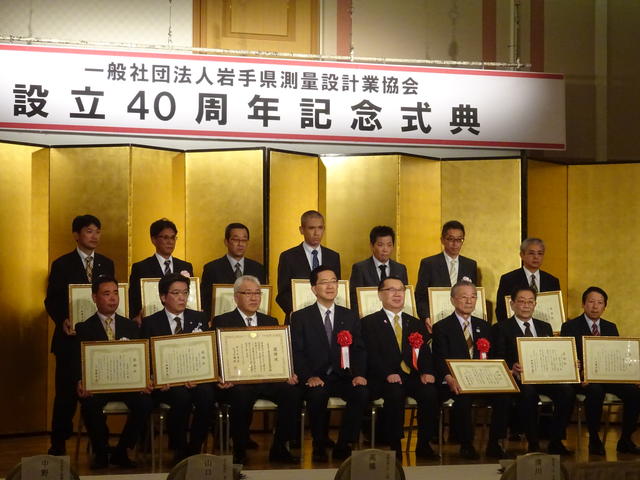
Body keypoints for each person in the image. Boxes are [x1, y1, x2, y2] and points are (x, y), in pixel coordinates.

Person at [45, 214, 115, 455]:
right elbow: (51, 300)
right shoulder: (62, 264)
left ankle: (100, 444)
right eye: (89, 231)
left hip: (97, 341)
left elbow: (112, 298)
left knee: (97, 392)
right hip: (69, 339)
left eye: (97, 231)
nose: (94, 236)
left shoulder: (107, 263)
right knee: (65, 395)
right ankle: (58, 443)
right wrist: (62, 319)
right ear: (76, 235)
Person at [212, 275, 300, 465]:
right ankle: (240, 448)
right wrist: (221, 375)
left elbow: (281, 352)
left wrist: (287, 372)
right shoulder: (222, 321)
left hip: (267, 379)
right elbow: (217, 356)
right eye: (248, 293)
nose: (254, 298)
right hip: (238, 382)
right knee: (241, 396)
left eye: (257, 293)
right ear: (236, 297)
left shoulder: (271, 320)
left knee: (292, 392)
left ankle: (279, 447)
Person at [290, 266, 369, 462]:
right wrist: (309, 376)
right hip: (316, 376)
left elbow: (359, 349)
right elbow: (296, 352)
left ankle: (344, 444)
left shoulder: (349, 315)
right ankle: (318, 443)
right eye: (324, 282)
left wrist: (359, 374)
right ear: (314, 288)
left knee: (361, 392)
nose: (330, 286)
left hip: (343, 375)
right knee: (317, 394)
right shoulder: (300, 317)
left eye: (334, 281)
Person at [74, 275, 153, 469]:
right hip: (98, 385)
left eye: (116, 293)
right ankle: (101, 451)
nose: (112, 298)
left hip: (127, 384)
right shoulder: (84, 328)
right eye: (106, 294)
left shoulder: (131, 326)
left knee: (145, 402)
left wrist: (146, 378)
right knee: (90, 405)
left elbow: (142, 357)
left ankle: (121, 450)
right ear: (94, 297)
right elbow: (77, 361)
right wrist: (80, 381)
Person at [140, 273, 215, 464]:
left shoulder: (199, 317)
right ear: (163, 297)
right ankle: (179, 448)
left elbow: (207, 351)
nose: (182, 297)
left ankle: (195, 447)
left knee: (206, 395)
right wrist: (156, 378)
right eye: (176, 293)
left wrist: (200, 375)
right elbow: (146, 357)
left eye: (185, 292)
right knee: (180, 396)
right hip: (167, 384)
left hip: (196, 379)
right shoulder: (151, 322)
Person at [361, 276, 439, 459]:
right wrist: (387, 373)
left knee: (430, 392)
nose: (397, 294)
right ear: (380, 295)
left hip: (411, 376)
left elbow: (425, 354)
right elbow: (371, 354)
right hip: (383, 378)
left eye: (401, 290)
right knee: (394, 393)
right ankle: (395, 444)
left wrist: (427, 372)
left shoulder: (415, 323)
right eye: (391, 290)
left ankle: (424, 443)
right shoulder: (369, 323)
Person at [491, 286, 575, 455]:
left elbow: (552, 353)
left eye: (530, 302)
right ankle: (533, 442)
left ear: (535, 304)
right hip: (518, 378)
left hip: (544, 376)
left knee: (567, 392)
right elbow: (498, 356)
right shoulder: (501, 327)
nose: (526, 305)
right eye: (521, 301)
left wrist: (569, 363)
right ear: (512, 304)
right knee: (528, 393)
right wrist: (511, 366)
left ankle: (556, 441)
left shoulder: (545, 326)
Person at [432, 281, 510, 459]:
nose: (469, 301)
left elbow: (494, 355)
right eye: (464, 297)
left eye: (473, 297)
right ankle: (466, 444)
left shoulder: (484, 326)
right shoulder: (442, 327)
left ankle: (494, 444)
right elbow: (440, 357)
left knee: (504, 397)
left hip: (483, 381)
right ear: (453, 300)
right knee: (463, 398)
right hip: (454, 381)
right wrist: (449, 378)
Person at [560, 286, 640, 455]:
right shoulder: (570, 326)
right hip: (584, 378)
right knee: (595, 391)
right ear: (583, 304)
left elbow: (617, 356)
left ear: (605, 306)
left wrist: (630, 374)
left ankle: (625, 439)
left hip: (607, 376)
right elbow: (566, 356)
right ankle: (594, 438)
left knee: (633, 391)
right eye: (591, 302)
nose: (595, 306)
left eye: (600, 303)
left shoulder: (611, 327)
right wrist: (579, 372)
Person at [276, 210, 341, 322]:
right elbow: (283, 293)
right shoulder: (288, 257)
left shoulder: (333, 256)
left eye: (320, 228)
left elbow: (336, 286)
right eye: (311, 228)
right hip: (299, 317)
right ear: (302, 230)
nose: (316, 233)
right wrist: (295, 313)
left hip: (328, 317)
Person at [128, 218, 193, 324]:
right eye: (165, 237)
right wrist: (135, 318)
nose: (170, 242)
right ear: (153, 239)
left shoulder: (185, 266)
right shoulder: (141, 267)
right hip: (151, 323)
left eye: (173, 238)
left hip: (180, 321)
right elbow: (133, 300)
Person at [201, 223, 266, 321]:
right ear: (226, 242)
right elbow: (205, 300)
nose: (240, 244)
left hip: (251, 322)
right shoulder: (212, 268)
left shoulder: (258, 268)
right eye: (235, 239)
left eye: (244, 240)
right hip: (222, 323)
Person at [415, 220, 477, 321]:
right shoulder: (429, 263)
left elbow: (473, 294)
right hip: (436, 319)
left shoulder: (470, 265)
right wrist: (426, 317)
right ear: (442, 240)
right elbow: (420, 296)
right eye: (450, 239)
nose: (455, 243)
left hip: (462, 319)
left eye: (459, 240)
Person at [494, 238, 560, 323]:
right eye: (531, 253)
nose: (536, 257)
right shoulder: (508, 279)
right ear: (522, 255)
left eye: (540, 253)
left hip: (544, 330)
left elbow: (555, 311)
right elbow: (501, 310)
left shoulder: (552, 281)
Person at [349, 225, 408, 315]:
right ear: (372, 246)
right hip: (368, 317)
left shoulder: (400, 269)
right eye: (380, 245)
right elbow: (354, 299)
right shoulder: (360, 268)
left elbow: (405, 296)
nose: (385, 249)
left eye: (389, 245)